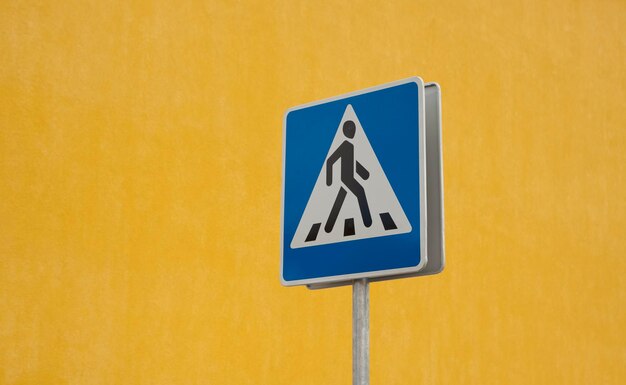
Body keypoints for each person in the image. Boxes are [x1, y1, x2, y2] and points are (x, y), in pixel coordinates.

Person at [324, 120, 372, 233]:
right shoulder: (345, 145)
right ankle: (368, 222)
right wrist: (329, 180)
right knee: (360, 192)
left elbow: (351, 163)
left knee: (339, 201)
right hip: (346, 178)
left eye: (353, 128)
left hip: (347, 178)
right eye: (350, 129)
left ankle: (328, 227)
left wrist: (363, 173)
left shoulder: (350, 146)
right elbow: (330, 161)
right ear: (345, 131)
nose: (353, 131)